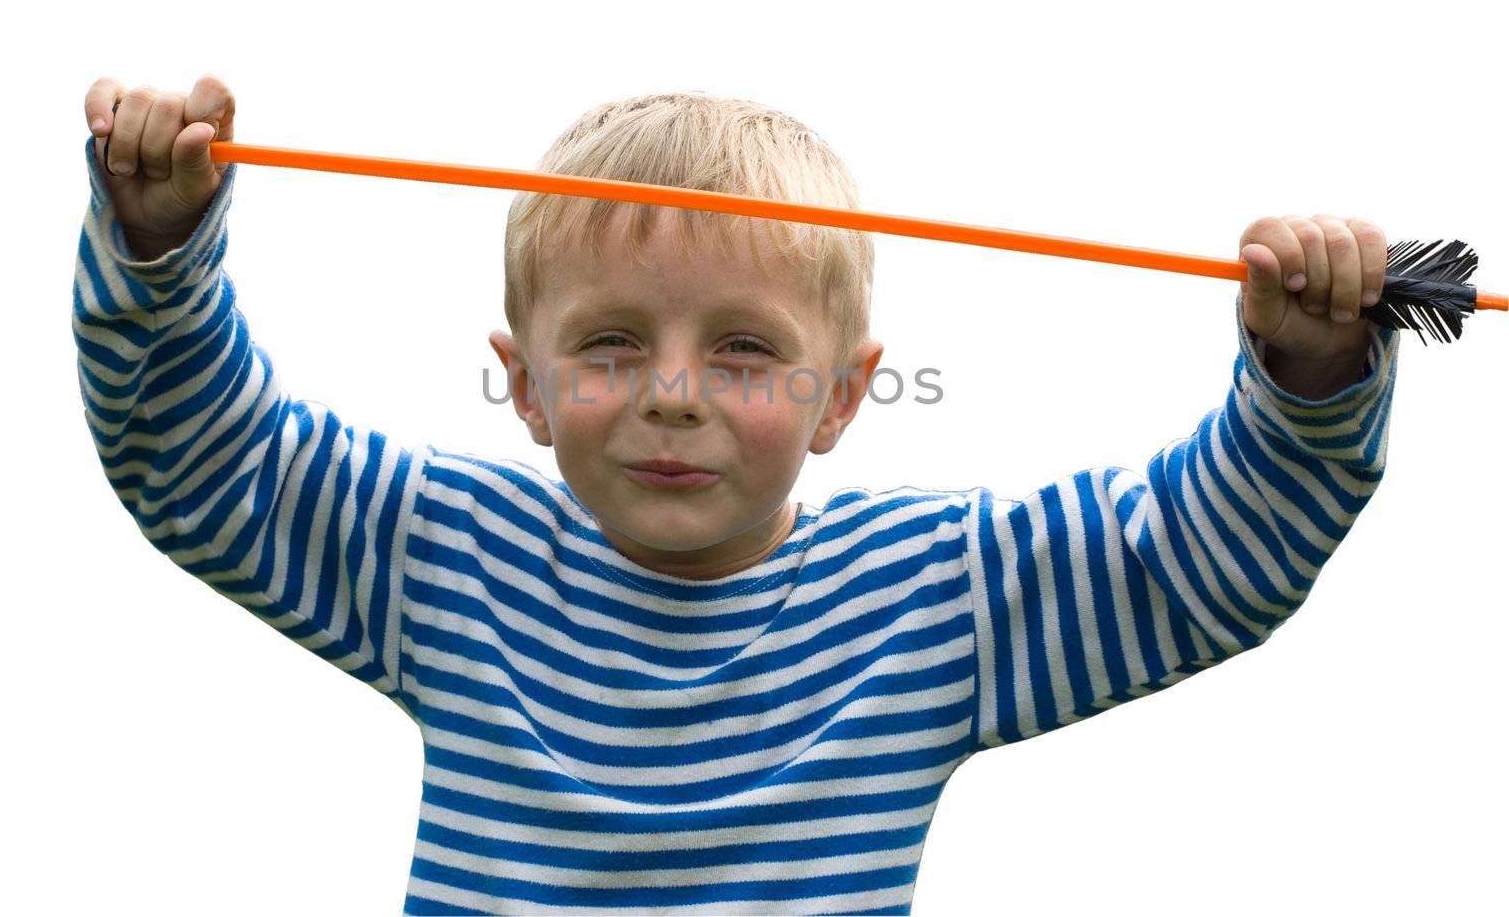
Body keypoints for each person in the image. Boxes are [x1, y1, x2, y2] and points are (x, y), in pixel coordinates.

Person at [74, 74, 1399, 916]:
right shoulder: (445, 558)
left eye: (745, 351)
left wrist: (1311, 368)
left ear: (839, 396)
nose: (673, 394)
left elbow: (1196, 563)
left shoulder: (932, 599)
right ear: (523, 387)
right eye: (607, 346)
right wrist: (157, 249)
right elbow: (198, 460)